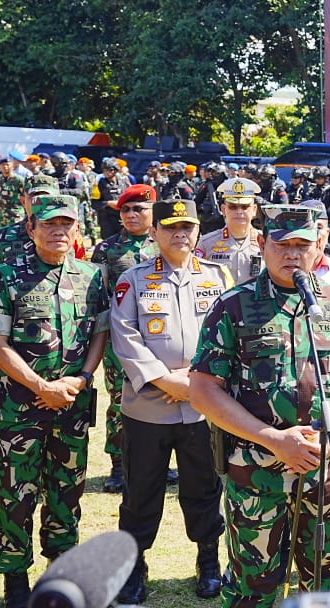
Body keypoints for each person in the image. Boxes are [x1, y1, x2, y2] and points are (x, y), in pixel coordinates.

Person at [190, 206, 330, 604]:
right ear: (263, 244)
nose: (292, 254)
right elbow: (204, 389)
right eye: (282, 244)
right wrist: (274, 439)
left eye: (302, 245)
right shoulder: (233, 306)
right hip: (257, 473)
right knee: (253, 585)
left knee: (325, 582)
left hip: (325, 468)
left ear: (319, 247)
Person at [0, 195, 110, 608]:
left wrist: (83, 377)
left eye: (66, 225)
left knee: (67, 492)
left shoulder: (91, 277)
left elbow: (99, 333)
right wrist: (40, 385)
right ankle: (15, 581)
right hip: (22, 409)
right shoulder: (6, 275)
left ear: (77, 231)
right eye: (49, 224)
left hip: (71, 405)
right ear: (31, 229)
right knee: (17, 494)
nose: (58, 231)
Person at [110, 199, 233, 603]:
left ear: (198, 231)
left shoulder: (217, 277)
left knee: (204, 488)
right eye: (171, 227)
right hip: (149, 407)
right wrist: (165, 380)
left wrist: (195, 384)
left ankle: (209, 562)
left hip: (203, 409)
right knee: (141, 491)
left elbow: (227, 334)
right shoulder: (134, 279)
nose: (180, 234)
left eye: (188, 227)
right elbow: (124, 337)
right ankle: (133, 568)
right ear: (155, 232)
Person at [90, 184, 160, 493]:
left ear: (152, 212)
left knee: (158, 398)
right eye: (125, 210)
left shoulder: (164, 244)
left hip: (160, 337)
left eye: (139, 209)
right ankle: (118, 465)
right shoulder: (107, 249)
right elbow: (96, 296)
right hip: (121, 339)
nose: (131, 215)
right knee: (120, 400)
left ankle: (156, 463)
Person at [195, 177, 263, 284]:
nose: (239, 212)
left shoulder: (267, 242)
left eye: (245, 207)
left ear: (254, 210)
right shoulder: (206, 243)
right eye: (233, 207)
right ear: (223, 209)